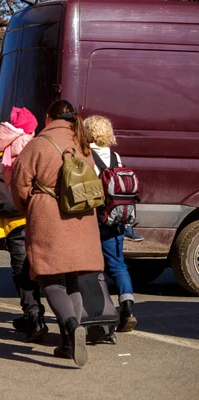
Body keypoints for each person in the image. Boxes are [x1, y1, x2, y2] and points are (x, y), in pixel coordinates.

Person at [11, 99, 104, 367]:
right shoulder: (82, 143)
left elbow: (19, 184)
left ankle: (72, 325)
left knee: (50, 279)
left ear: (48, 117)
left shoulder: (39, 144)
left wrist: (30, 201)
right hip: (83, 218)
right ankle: (67, 342)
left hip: (50, 218)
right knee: (72, 280)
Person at [0, 106, 47, 341]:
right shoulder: (40, 150)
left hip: (13, 222)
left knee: (20, 270)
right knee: (45, 269)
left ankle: (33, 317)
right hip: (41, 217)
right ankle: (64, 319)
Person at [85, 115, 137, 332]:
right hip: (117, 218)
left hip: (95, 219)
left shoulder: (87, 156)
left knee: (93, 266)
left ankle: (100, 311)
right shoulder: (115, 156)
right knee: (118, 265)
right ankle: (127, 307)